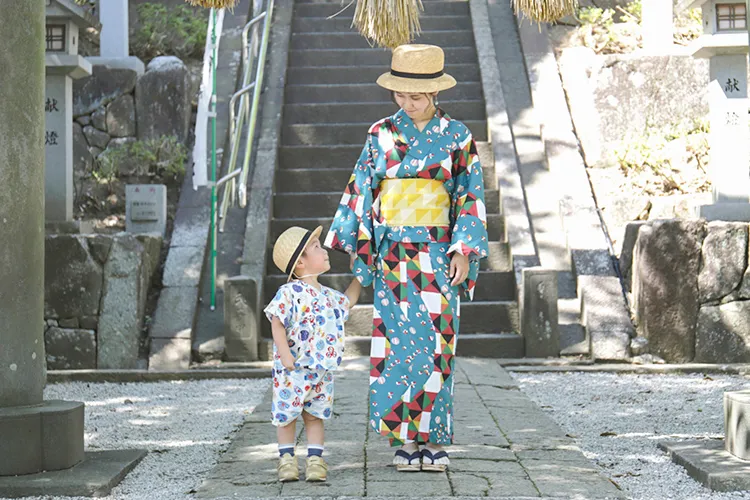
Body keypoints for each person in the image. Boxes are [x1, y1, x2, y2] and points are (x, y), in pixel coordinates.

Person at [324, 44, 489, 473]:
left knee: (437, 346)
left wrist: (464, 251)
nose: (407, 102)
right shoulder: (380, 133)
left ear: (434, 93)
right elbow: (362, 189)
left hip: (437, 252)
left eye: (415, 96)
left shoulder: (457, 136)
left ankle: (434, 439)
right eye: (400, 94)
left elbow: (470, 195)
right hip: (394, 256)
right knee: (398, 348)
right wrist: (362, 250)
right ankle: (404, 440)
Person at [264, 225, 362, 482]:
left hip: (321, 369)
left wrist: (360, 276)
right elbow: (277, 321)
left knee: (315, 415)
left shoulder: (328, 296)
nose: (324, 250)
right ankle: (286, 459)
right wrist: (285, 354)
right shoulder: (289, 293)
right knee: (287, 414)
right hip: (293, 368)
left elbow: (349, 300)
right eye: (317, 247)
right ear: (300, 263)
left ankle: (315, 459)